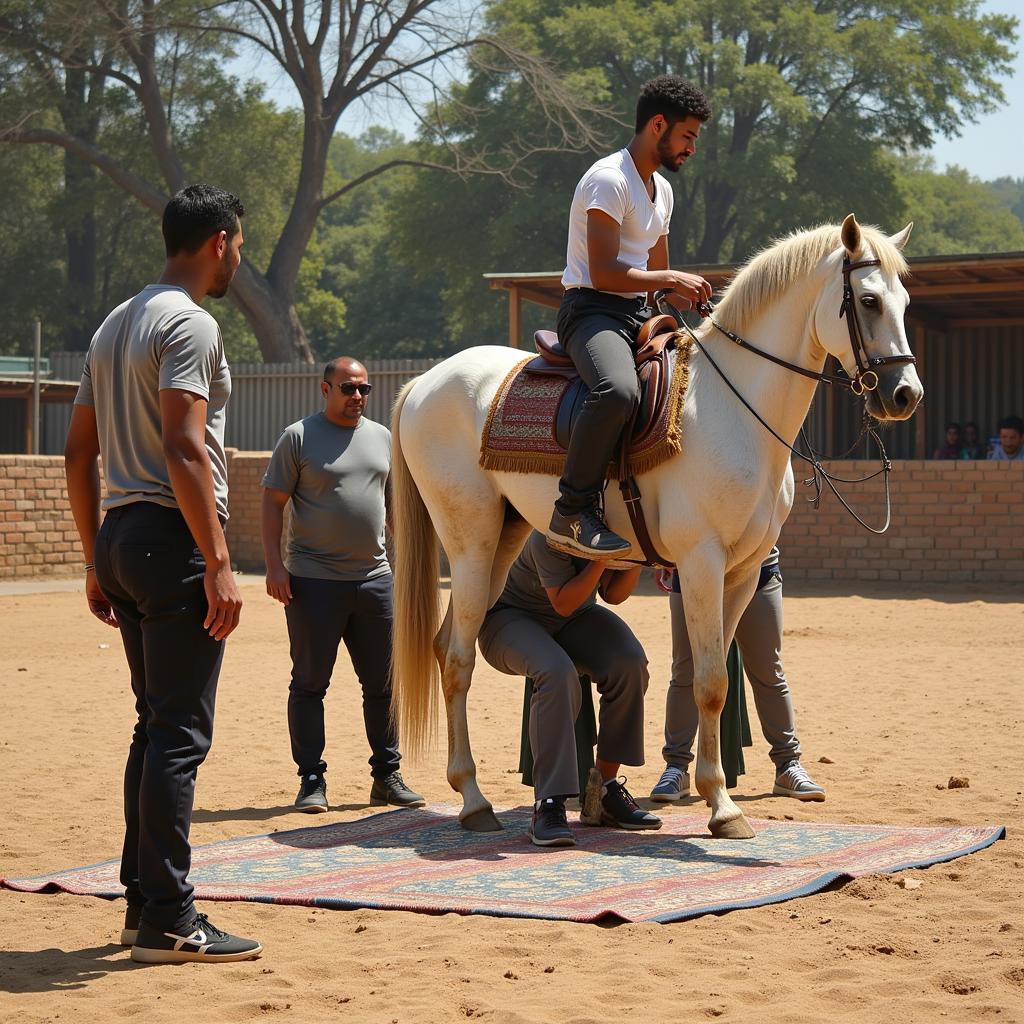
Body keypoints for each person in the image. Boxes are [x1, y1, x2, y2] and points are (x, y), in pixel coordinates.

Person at [64, 184, 261, 963]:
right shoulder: (189, 321)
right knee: (179, 733)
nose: (239, 256)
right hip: (171, 540)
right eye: (239, 243)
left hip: (120, 534)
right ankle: (171, 918)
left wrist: (91, 559)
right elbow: (184, 446)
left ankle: (142, 903)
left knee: (154, 727)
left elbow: (78, 451)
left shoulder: (115, 323)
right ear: (219, 241)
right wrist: (219, 561)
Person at [546, 75, 713, 560]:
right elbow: (603, 271)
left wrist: (689, 296)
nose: (692, 148)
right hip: (591, 311)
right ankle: (571, 510)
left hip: (637, 312)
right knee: (617, 391)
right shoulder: (608, 179)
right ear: (657, 125)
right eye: (687, 136)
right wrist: (671, 278)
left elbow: (656, 275)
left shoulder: (662, 190)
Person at [261, 357, 424, 814]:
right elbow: (273, 504)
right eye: (348, 388)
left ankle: (387, 777)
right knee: (310, 684)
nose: (357, 397)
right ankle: (312, 780)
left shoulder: (382, 438)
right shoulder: (297, 437)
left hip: (374, 581)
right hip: (313, 583)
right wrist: (275, 566)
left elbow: (392, 502)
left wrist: (408, 554)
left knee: (383, 685)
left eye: (364, 389)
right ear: (325, 389)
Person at [478, 530, 661, 847]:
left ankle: (602, 791)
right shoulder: (548, 533)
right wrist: (602, 559)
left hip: (575, 617)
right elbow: (563, 602)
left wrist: (638, 555)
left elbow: (614, 595)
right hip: (509, 618)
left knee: (629, 663)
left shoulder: (614, 525)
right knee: (555, 672)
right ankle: (547, 804)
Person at [649, 549, 826, 804]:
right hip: (693, 568)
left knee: (768, 671)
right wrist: (664, 552)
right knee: (686, 672)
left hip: (757, 567)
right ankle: (676, 768)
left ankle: (788, 765)